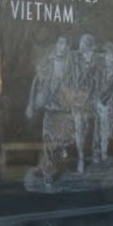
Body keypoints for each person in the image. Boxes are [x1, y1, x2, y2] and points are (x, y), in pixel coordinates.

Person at [26, 36, 73, 184]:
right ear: (56, 45)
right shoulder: (48, 62)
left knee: (61, 143)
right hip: (50, 108)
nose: (61, 46)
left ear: (66, 46)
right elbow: (37, 81)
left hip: (63, 109)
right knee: (47, 141)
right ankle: (48, 173)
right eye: (59, 42)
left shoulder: (70, 64)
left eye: (64, 43)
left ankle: (58, 166)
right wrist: (31, 104)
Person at [68, 34, 99, 173]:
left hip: (91, 99)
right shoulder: (75, 58)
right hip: (78, 98)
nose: (82, 47)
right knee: (79, 127)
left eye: (85, 44)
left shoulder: (97, 60)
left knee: (89, 126)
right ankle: (81, 158)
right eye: (81, 44)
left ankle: (92, 152)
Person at [93, 42, 113, 162]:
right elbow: (94, 84)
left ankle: (104, 152)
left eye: (111, 56)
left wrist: (111, 103)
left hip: (108, 105)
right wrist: (96, 100)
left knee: (106, 130)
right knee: (97, 129)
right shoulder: (99, 68)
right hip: (97, 102)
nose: (108, 58)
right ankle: (97, 152)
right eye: (107, 55)